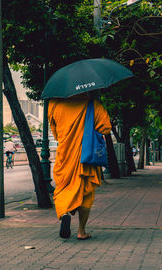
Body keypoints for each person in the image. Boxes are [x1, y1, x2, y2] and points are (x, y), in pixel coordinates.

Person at [48, 93, 111, 240]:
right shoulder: (91, 103)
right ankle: (81, 231)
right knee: (86, 193)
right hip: (85, 155)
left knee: (63, 187)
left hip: (64, 154)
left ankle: (64, 213)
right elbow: (106, 128)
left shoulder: (54, 103)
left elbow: (55, 133)